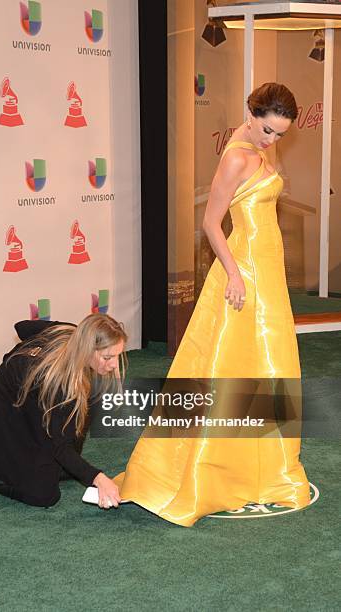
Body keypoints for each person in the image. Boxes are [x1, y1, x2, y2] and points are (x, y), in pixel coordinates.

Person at [114, 82, 311, 526]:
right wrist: (237, 274)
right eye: (266, 129)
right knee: (226, 363)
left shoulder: (263, 149)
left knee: (267, 363)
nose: (271, 140)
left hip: (269, 269)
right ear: (252, 112)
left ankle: (260, 463)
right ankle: (210, 466)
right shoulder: (237, 154)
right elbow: (210, 222)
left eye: (280, 134)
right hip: (243, 271)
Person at [0, 313, 127, 509]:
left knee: (68, 452)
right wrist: (98, 478)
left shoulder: (71, 332)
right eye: (107, 357)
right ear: (85, 349)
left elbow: (22, 327)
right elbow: (59, 446)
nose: (114, 364)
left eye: (117, 355)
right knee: (43, 495)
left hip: (29, 399)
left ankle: (52, 462)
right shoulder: (60, 385)